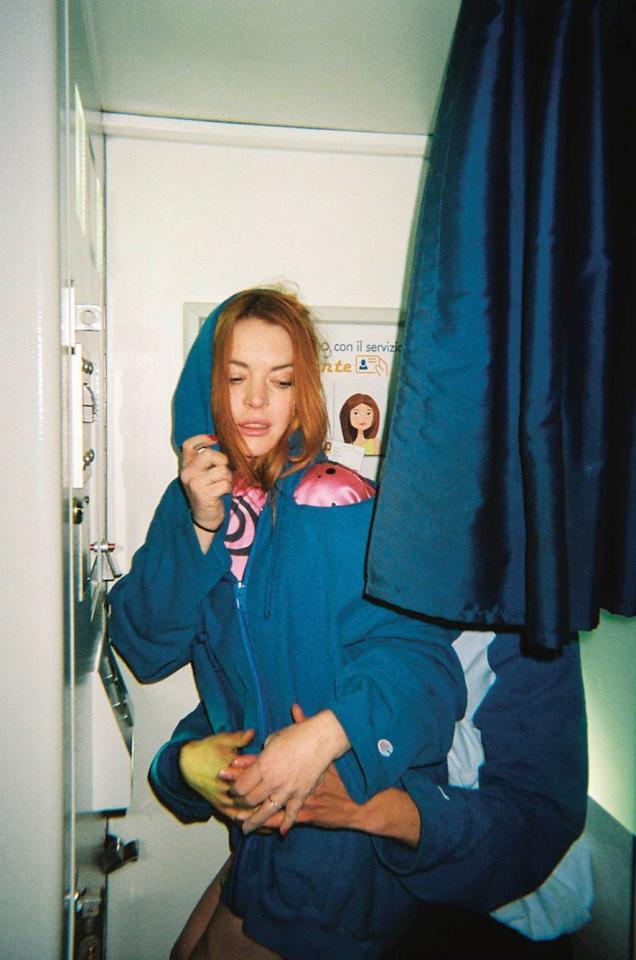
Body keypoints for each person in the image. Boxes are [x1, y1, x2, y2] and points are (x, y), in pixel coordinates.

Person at [108, 288, 470, 959]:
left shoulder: (341, 500)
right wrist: (200, 524)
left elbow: (426, 666)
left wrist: (328, 733)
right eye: (235, 378)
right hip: (264, 833)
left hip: (342, 833)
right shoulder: (191, 503)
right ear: (207, 389)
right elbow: (145, 646)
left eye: (279, 381)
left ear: (302, 392)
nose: (255, 401)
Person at [154, 632, 592, 959]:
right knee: (189, 949)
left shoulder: (519, 618)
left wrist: (364, 806)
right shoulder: (334, 572)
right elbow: (241, 696)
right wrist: (186, 762)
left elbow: (536, 822)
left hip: (497, 904)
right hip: (337, 843)